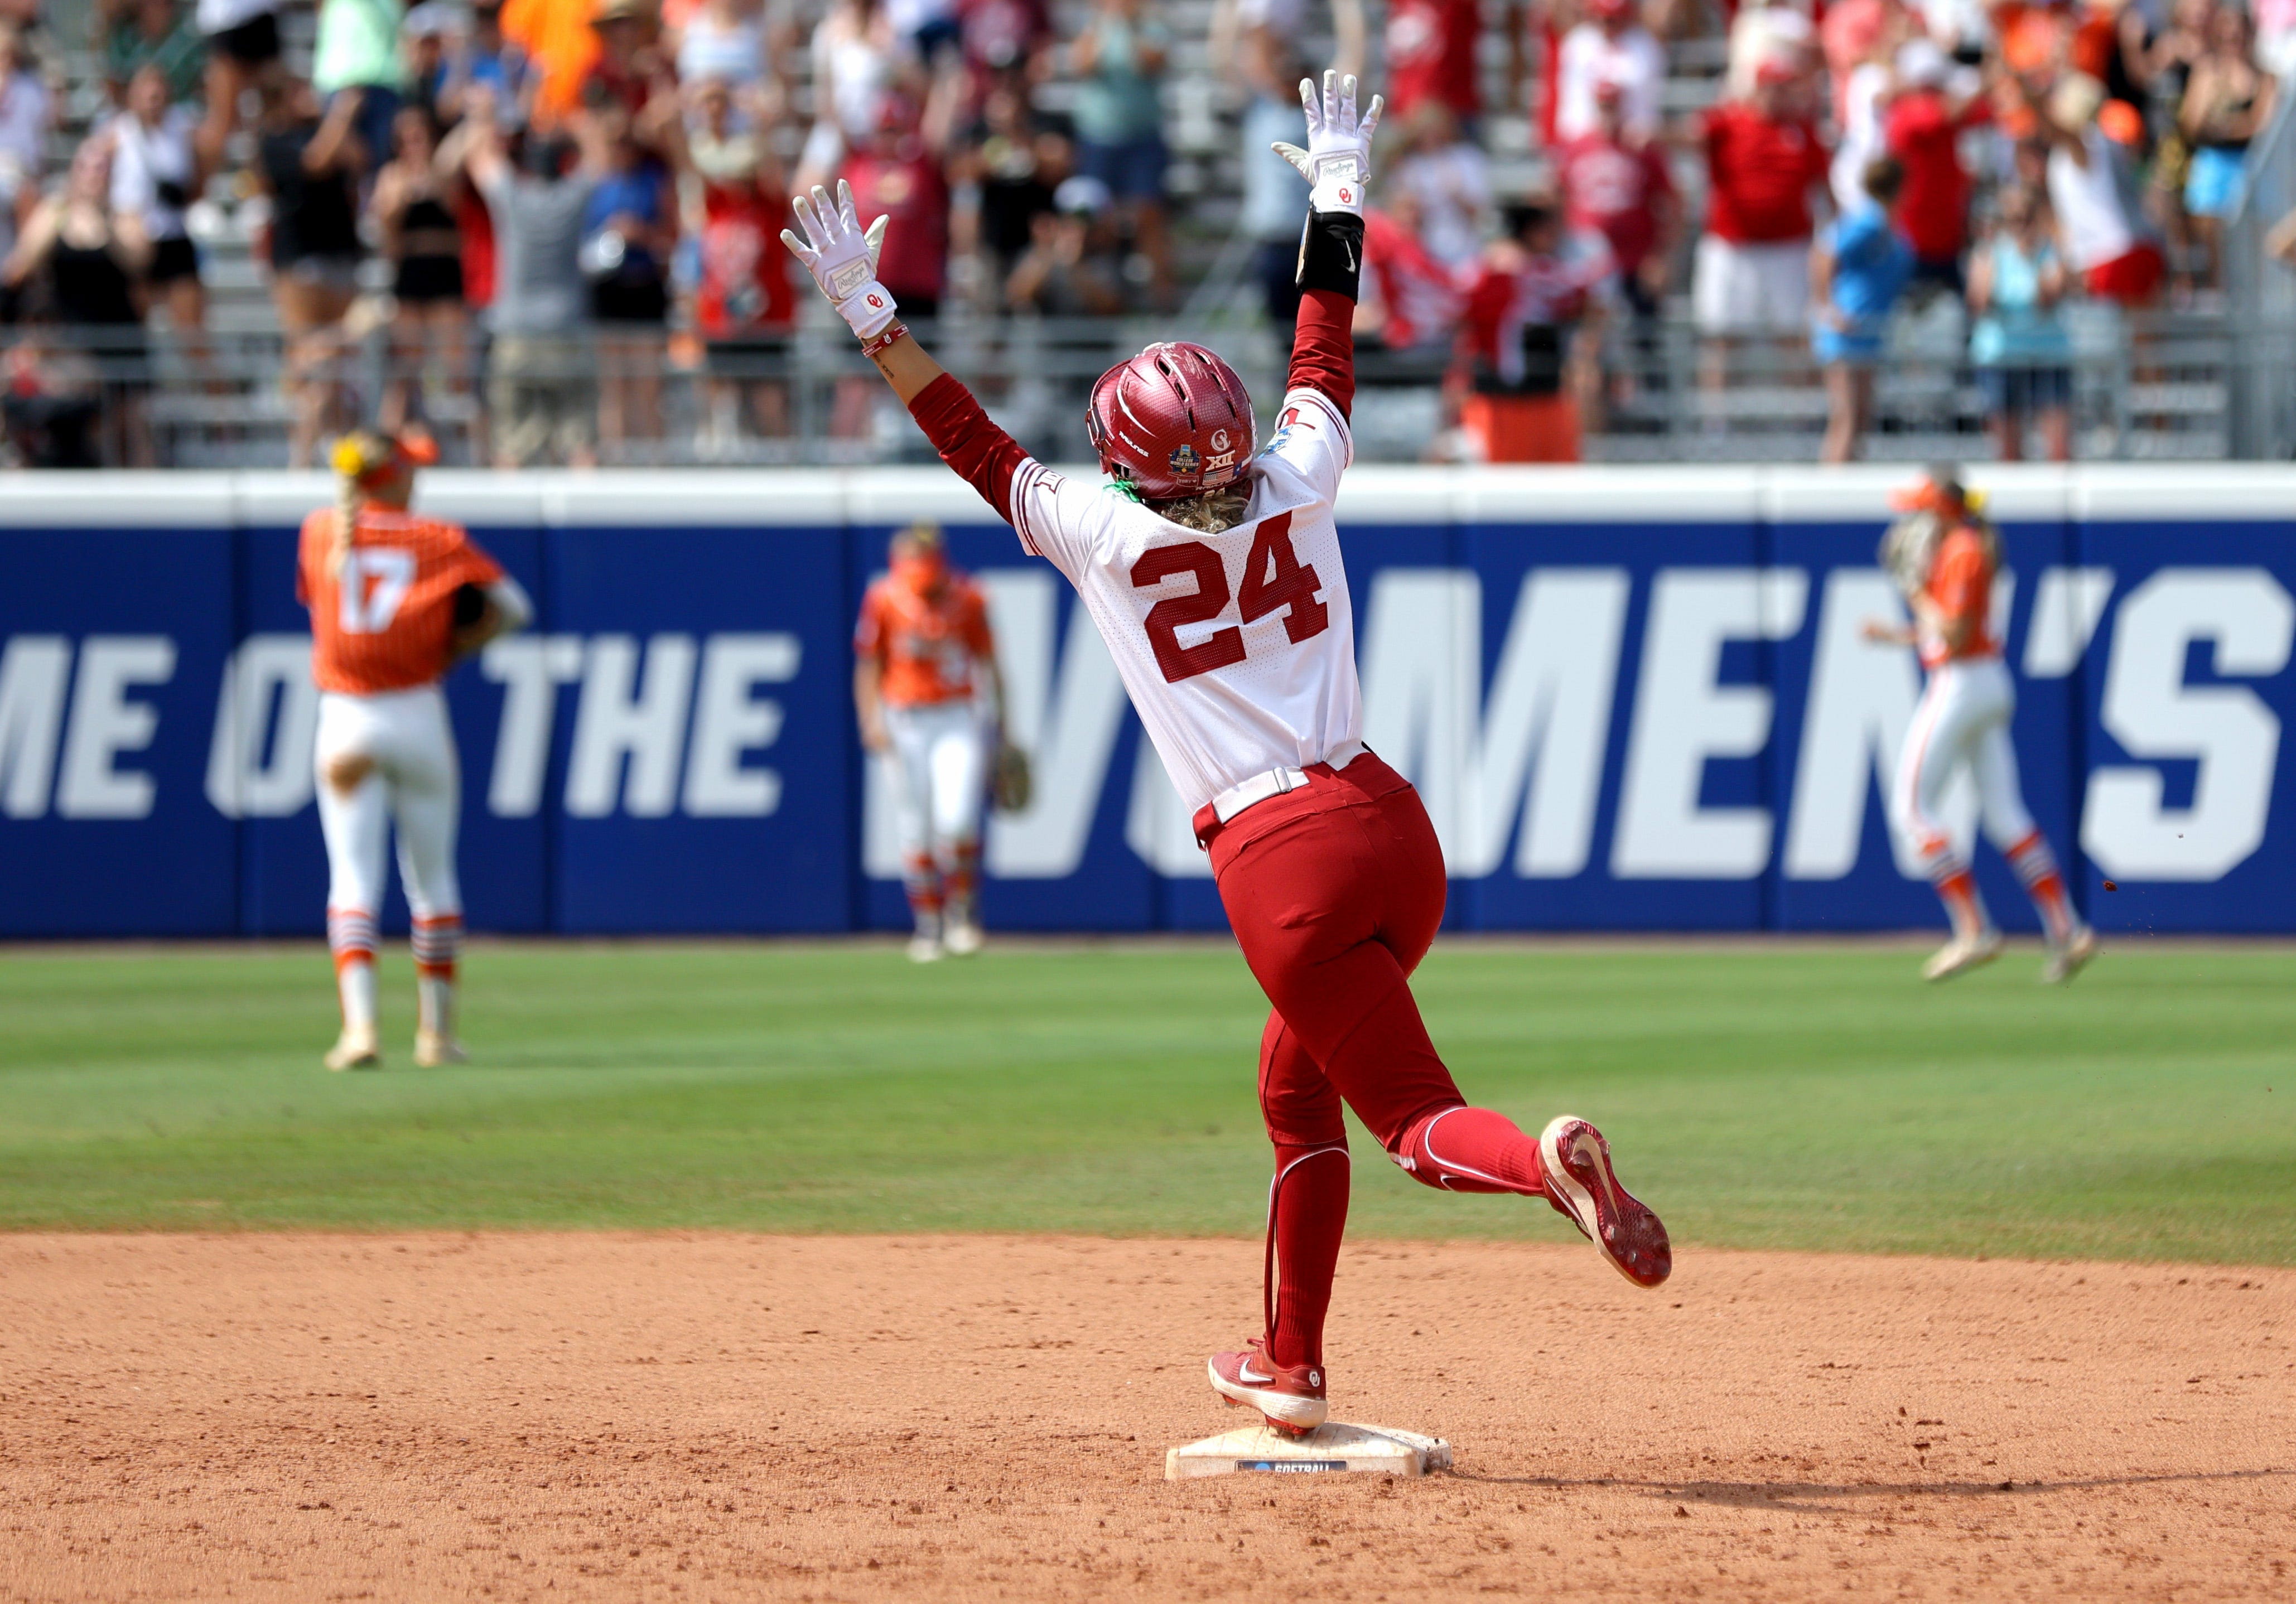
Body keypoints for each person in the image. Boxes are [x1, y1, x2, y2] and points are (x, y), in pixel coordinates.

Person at [781, 70, 1671, 1434]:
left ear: (1132, 459)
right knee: (1288, 1082)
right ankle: (1289, 1361)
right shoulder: (1303, 471)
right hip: (1389, 821)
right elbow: (1325, 336)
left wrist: (865, 307)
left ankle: (1545, 1158)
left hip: (1275, 856)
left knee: (1422, 1124)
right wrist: (1336, 183)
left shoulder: (1106, 531)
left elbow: (969, 435)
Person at [298, 428, 533, 1071]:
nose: (419, 478)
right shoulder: (437, 538)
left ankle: (360, 1030)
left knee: (352, 879)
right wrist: (460, 644)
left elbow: (321, 606)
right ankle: (437, 1035)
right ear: (394, 477)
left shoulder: (320, 530)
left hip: (345, 716)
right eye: (411, 468)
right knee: (432, 880)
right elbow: (513, 605)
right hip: (416, 711)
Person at [1863, 467, 2096, 984]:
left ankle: (1973, 928)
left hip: (1963, 685)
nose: (1911, 523)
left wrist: (1912, 589)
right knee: (2006, 816)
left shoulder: (1964, 549)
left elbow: (1955, 630)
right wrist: (1895, 635)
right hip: (1981, 681)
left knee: (1911, 810)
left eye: (1920, 511)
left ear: (1942, 511)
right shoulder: (1962, 547)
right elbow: (1946, 634)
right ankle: (2067, 929)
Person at [853, 522, 1004, 960]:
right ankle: (928, 926)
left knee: (956, 820)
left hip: (958, 716)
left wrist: (1005, 729)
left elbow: (992, 664)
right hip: (905, 720)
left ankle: (962, 915)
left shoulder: (970, 596)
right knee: (914, 826)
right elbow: (869, 663)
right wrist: (870, 718)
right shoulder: (884, 597)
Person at [444, 94, 611, 467]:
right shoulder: (572, 196)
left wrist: (485, 116)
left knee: (511, 446)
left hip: (516, 334)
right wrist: (579, 123)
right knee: (581, 444)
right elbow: (600, 159)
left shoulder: (512, 196)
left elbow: (479, 159)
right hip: (568, 330)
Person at [2, 134, 153, 465]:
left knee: (130, 429)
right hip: (69, 343)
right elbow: (21, 266)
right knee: (78, 425)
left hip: (118, 337)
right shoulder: (55, 213)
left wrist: (104, 222)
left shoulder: (124, 217)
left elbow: (140, 261)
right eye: (88, 167)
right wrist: (59, 218)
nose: (94, 175)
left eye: (103, 168)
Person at [1696, 59, 1830, 394]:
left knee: (1795, 339)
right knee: (1723, 338)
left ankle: (1800, 426)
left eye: (1783, 88)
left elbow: (1824, 188)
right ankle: (1717, 430)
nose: (1777, 96)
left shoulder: (1803, 132)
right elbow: (1688, 136)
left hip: (1788, 249)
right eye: (1771, 87)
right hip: (1733, 248)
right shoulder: (1728, 124)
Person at [254, 78, 366, 468]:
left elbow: (356, 158)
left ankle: (337, 449)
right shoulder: (276, 141)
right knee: (308, 355)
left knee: (337, 359)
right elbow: (316, 161)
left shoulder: (330, 129)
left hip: (340, 254)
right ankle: (301, 454)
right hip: (300, 259)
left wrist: (340, 122)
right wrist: (340, 115)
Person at [1454, 197, 1612, 461]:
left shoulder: (1475, 272)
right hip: (1511, 402)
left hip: (1524, 397)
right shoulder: (1532, 274)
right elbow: (1595, 294)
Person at [372, 104, 471, 436]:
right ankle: (392, 437)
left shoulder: (446, 172)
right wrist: (400, 199)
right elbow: (387, 233)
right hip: (411, 272)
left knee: (454, 360)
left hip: (444, 270)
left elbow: (455, 208)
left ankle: (471, 440)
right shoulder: (391, 177)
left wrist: (430, 179)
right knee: (405, 364)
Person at [1067, 0, 1172, 305]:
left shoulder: (1151, 28)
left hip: (1142, 139)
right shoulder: (1094, 26)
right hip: (1098, 137)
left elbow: (1149, 63)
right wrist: (1107, 25)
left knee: (1149, 213)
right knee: (1092, 215)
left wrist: (1128, 27)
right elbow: (1083, 65)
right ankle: (1097, 293)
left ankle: (1161, 297)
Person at [1811, 156, 1911, 465]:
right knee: (1847, 417)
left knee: (1861, 416)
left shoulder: (1882, 222)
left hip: (1868, 330)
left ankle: (1849, 479)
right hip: (1848, 330)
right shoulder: (1869, 221)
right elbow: (1825, 254)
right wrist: (1827, 307)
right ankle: (1833, 489)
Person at [1967, 183, 2074, 461]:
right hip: (2002, 357)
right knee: (2008, 451)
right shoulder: (1988, 253)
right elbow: (1981, 302)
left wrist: (2032, 258)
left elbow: (2047, 299)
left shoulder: (2050, 252)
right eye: (2013, 219)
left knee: (2059, 448)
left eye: (2027, 217)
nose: (2020, 225)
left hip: (2047, 356)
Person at [2178, 4, 2275, 286]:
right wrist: (2232, 124)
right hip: (2213, 169)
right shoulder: (2208, 72)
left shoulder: (2264, 77)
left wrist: (2224, 126)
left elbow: (2259, 126)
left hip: (2248, 168)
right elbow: (2192, 123)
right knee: (2213, 243)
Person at [109, 64, 205, 345]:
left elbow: (197, 182)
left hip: (174, 235)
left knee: (193, 335)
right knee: (134, 332)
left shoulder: (184, 129)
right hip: (135, 243)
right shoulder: (117, 133)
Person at [1554, 0, 1666, 143]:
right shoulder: (1578, 42)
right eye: (1603, 18)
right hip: (1583, 136)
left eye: (1614, 20)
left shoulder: (1645, 45)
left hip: (1634, 138)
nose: (1607, 25)